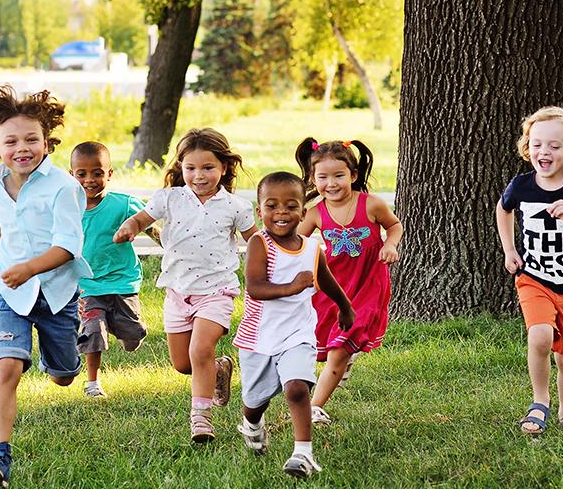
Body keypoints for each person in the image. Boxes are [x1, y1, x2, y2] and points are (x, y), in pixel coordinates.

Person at [0, 85, 92, 486]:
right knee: (5, 368)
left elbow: (68, 247)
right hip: (10, 292)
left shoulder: (64, 188)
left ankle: (61, 359)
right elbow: (7, 215)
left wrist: (29, 269)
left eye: (32, 139)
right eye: (11, 141)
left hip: (55, 293)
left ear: (47, 141)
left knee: (64, 375)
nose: (22, 148)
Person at [114, 127, 257, 443]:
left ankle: (201, 420)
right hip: (178, 292)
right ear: (180, 167)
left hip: (217, 291)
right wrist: (129, 227)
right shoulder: (170, 198)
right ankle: (218, 370)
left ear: (223, 167)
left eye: (208, 168)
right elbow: (142, 219)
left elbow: (257, 242)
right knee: (183, 364)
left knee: (199, 349)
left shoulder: (235, 206)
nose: (199, 175)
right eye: (191, 168)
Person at [234, 171, 354, 478]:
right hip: (258, 337)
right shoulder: (260, 244)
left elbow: (326, 280)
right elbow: (256, 288)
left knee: (297, 389)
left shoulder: (313, 248)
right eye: (271, 206)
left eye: (290, 206)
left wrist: (345, 307)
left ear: (303, 211)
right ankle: (252, 423)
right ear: (259, 211)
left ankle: (303, 454)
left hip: (298, 333)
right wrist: (291, 287)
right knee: (254, 400)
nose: (281, 213)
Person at [495, 106, 563, 434]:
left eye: (554, 146)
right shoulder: (522, 185)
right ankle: (539, 401)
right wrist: (510, 250)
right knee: (539, 336)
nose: (545, 151)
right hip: (534, 278)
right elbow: (503, 209)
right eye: (537, 144)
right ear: (528, 147)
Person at [295, 138, 402, 425]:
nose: (331, 183)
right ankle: (341, 362)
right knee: (324, 342)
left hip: (368, 285)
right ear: (313, 178)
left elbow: (394, 225)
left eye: (339, 175)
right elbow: (296, 242)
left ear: (353, 175)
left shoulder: (371, 205)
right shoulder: (316, 212)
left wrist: (390, 245)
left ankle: (314, 407)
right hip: (332, 286)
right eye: (323, 177)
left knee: (339, 349)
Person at [70, 141, 158, 398]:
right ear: (71, 175)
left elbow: (149, 226)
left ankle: (123, 330)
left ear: (109, 174)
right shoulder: (67, 209)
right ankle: (92, 383)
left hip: (122, 282)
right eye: (81, 174)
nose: (90, 180)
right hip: (89, 285)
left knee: (132, 339)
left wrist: (170, 246)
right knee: (92, 331)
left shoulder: (123, 204)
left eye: (97, 173)